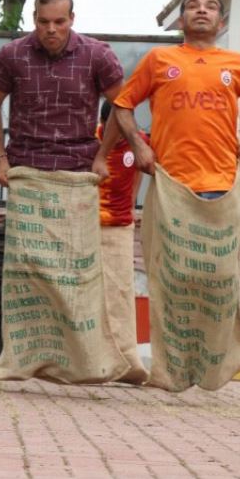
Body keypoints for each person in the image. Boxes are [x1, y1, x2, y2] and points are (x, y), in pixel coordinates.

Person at [101, 0, 240, 391]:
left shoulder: (237, 64)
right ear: (181, 20)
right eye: (193, 6)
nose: (201, 11)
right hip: (171, 186)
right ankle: (169, 372)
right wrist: (139, 148)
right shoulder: (160, 59)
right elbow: (123, 105)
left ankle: (213, 364)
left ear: (221, 20)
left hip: (223, 188)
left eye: (210, 7)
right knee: (172, 279)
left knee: (217, 277)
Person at [0, 0, 133, 385]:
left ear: (72, 19)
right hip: (28, 173)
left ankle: (83, 361)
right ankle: (25, 360)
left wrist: (102, 156)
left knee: (75, 273)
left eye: (59, 22)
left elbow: (124, 103)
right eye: (43, 22)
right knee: (27, 273)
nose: (51, 30)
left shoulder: (97, 55)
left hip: (76, 175)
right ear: (33, 19)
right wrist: (1, 157)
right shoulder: (12, 55)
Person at [95, 100, 149, 385]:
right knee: (91, 295)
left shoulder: (137, 142)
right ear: (104, 125)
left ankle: (127, 362)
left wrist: (131, 205)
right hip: (90, 227)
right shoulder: (89, 141)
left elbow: (140, 169)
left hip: (119, 228)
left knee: (120, 294)